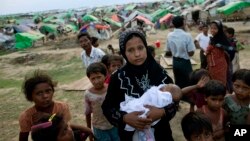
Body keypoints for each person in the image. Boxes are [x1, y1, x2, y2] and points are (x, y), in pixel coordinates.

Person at [102, 28, 175, 141]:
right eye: (130, 50)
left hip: (162, 133)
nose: (137, 54)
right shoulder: (118, 78)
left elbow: (174, 98)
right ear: (124, 53)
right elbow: (107, 107)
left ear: (146, 47)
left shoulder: (160, 72)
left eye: (140, 48)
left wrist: (162, 112)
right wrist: (125, 118)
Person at [19, 70, 71, 141]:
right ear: (30, 97)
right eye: (39, 93)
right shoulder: (26, 116)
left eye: (48, 91)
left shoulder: (62, 107)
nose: (45, 96)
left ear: (53, 91)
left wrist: (48, 116)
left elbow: (65, 126)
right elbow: (23, 137)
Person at [85, 62, 120, 141]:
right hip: (99, 127)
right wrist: (89, 131)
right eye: (93, 78)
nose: (96, 81)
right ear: (89, 79)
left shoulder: (111, 89)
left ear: (105, 76)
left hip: (114, 125)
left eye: (99, 77)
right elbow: (87, 113)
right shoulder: (88, 94)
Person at [165, 16, 196, 89]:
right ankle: (187, 97)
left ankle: (179, 97)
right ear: (183, 23)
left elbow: (168, 51)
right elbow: (191, 52)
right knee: (188, 82)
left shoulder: (169, 35)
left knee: (178, 82)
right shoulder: (187, 35)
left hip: (175, 62)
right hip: (185, 62)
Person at [206, 20, 230, 87]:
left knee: (221, 84)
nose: (212, 30)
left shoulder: (222, 39)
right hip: (212, 65)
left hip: (220, 66)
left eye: (215, 28)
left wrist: (220, 46)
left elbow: (231, 49)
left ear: (219, 29)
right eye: (211, 28)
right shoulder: (212, 39)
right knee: (213, 83)